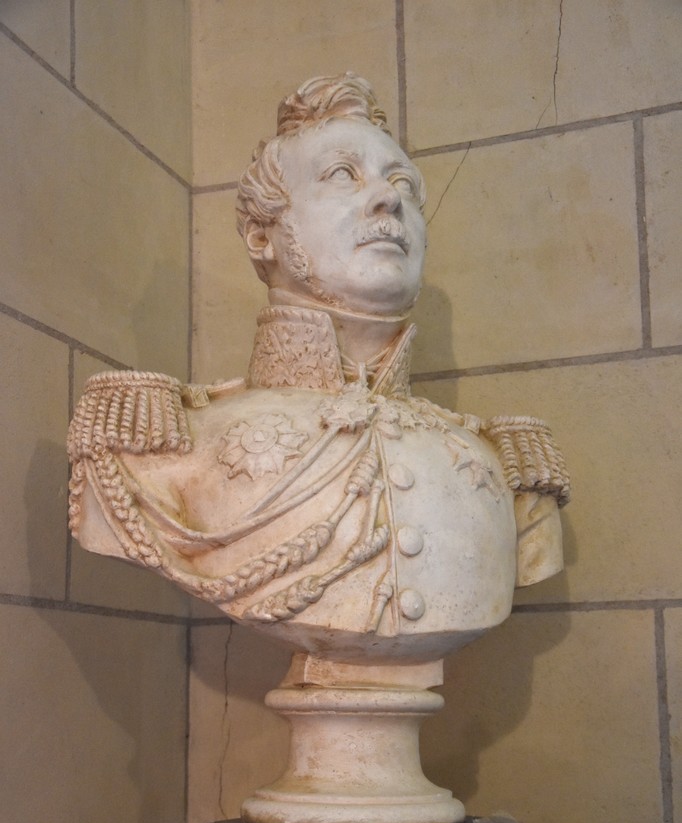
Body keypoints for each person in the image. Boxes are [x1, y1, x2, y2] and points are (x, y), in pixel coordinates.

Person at [67, 73, 569, 667]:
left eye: (403, 183)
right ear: (262, 236)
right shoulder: (155, 449)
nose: (388, 200)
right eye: (342, 175)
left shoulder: (503, 464)